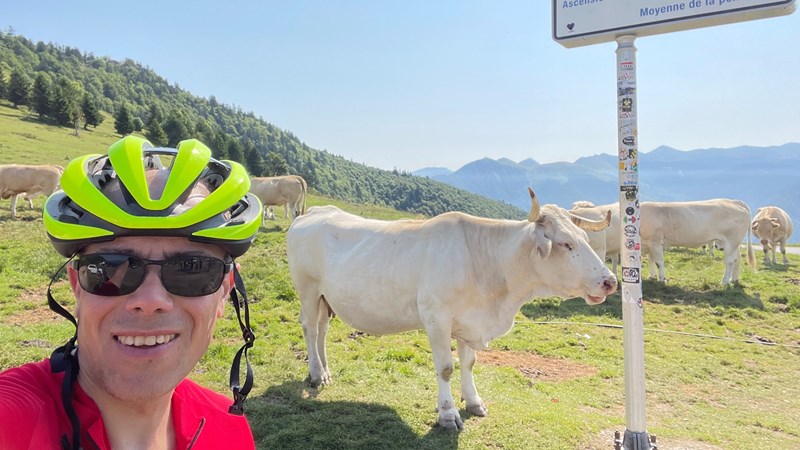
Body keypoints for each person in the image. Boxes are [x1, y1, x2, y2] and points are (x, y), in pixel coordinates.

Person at [0, 135, 263, 449]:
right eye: (110, 268)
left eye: (191, 269)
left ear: (224, 292)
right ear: (77, 286)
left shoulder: (229, 430)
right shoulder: (11, 420)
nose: (150, 301)